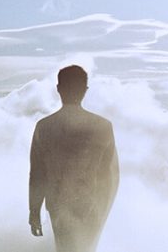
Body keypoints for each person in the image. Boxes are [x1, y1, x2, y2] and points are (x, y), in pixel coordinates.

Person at [29, 65, 119, 252]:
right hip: (92, 207)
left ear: (59, 88)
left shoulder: (44, 127)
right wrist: (103, 210)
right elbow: (111, 176)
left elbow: (37, 174)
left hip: (58, 206)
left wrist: (34, 211)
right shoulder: (103, 126)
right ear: (85, 90)